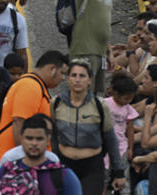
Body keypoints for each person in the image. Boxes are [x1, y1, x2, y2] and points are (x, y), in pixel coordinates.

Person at [50, 60, 126, 195]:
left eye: (82, 76)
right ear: (68, 79)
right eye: (73, 75)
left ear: (90, 80)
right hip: (64, 165)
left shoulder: (99, 105)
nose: (77, 80)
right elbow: (53, 136)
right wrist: (54, 161)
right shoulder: (56, 103)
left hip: (92, 167)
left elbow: (111, 140)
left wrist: (118, 172)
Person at [0, 51, 68, 171]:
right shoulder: (30, 87)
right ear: (52, 69)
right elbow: (19, 124)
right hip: (12, 165)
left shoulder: (35, 85)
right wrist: (24, 164)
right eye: (62, 73)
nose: (63, 78)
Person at [0, 114, 83, 195]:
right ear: (21, 139)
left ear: (47, 140)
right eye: (29, 138)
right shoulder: (6, 170)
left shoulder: (64, 176)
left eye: (39, 139)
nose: (34, 143)